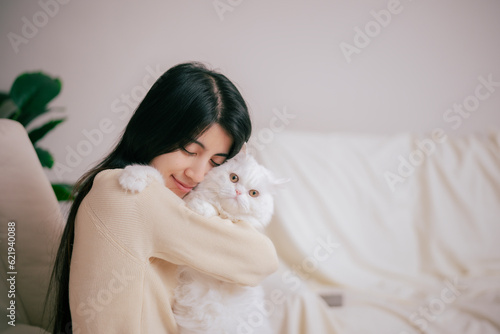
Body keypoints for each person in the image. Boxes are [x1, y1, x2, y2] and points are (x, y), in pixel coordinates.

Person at [46, 62, 279, 334]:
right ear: (155, 128)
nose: (197, 174)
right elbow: (261, 259)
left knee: (299, 303)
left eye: (216, 162)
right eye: (189, 150)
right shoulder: (130, 193)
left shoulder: (113, 185)